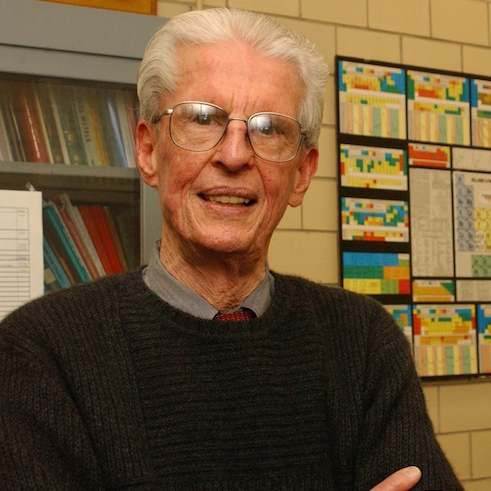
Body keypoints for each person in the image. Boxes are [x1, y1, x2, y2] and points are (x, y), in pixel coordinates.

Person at [0, 7, 463, 491]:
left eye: (268, 129)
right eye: (202, 118)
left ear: (302, 174)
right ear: (147, 151)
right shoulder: (40, 354)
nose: (235, 155)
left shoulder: (364, 343)